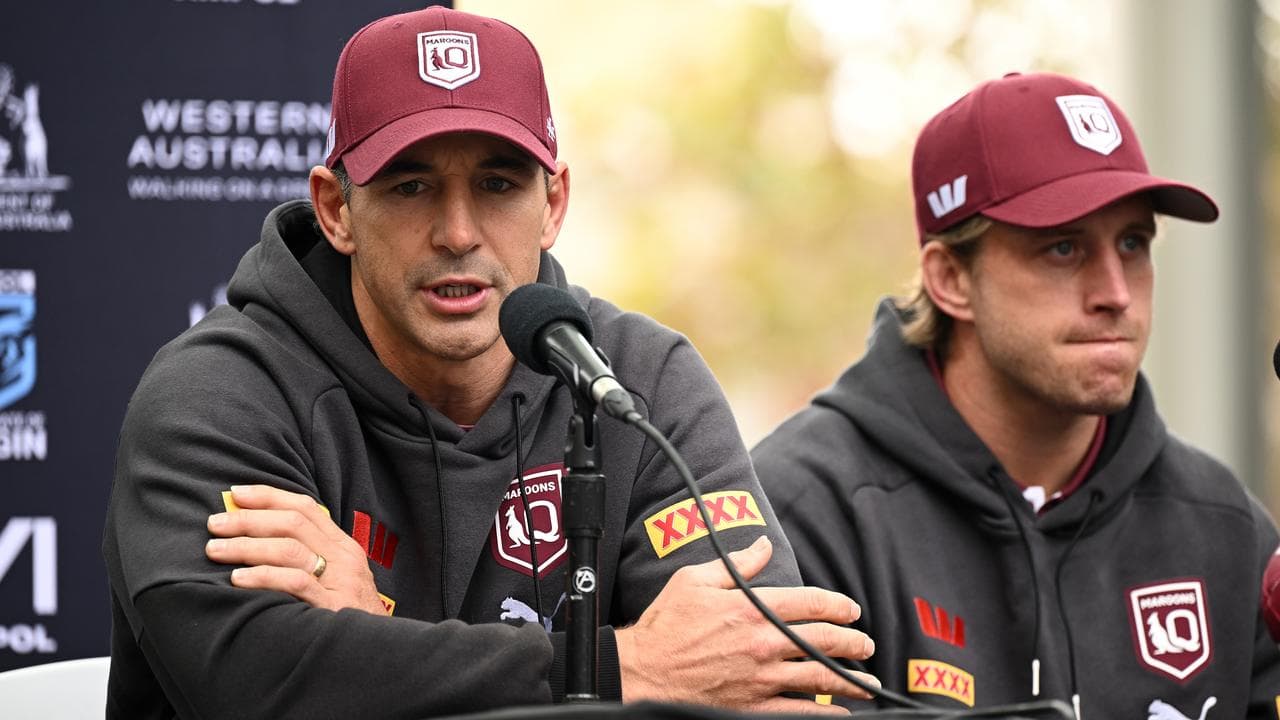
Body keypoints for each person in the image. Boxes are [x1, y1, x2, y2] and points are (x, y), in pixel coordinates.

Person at [101, 6, 878, 719]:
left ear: (554, 204)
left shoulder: (638, 382)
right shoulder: (220, 394)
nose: (459, 232)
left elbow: (769, 685)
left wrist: (374, 637)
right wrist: (621, 671)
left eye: (499, 184)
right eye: (411, 186)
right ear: (337, 209)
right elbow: (250, 686)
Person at [752, 71, 1280, 717]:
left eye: (1134, 244)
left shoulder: (1223, 525)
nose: (1115, 291)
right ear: (951, 279)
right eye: (1062, 248)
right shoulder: (807, 512)